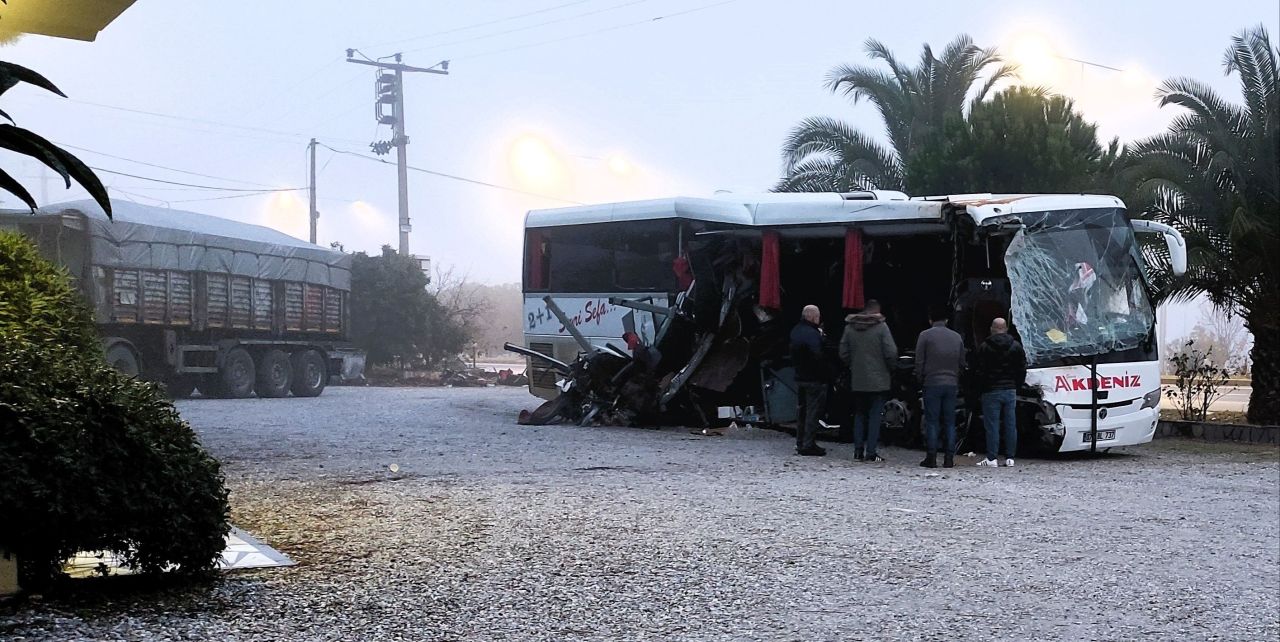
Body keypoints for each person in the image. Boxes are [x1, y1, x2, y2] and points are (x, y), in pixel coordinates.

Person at [839, 299, 897, 462]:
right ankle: (871, 451)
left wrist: (853, 365)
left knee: (859, 414)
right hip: (879, 380)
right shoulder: (882, 328)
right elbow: (891, 352)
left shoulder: (850, 328)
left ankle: (858, 450)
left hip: (858, 379)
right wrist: (890, 368)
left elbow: (843, 352)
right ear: (877, 311)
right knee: (875, 416)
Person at [914, 303, 965, 468]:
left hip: (932, 383)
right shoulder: (957, 337)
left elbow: (919, 361)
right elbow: (962, 363)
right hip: (951, 384)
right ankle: (949, 458)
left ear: (930, 319)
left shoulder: (925, 336)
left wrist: (920, 379)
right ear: (947, 319)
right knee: (950, 421)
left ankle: (931, 457)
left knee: (932, 421)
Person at [974, 317, 1027, 468]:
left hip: (991, 390)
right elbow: (1022, 368)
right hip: (1010, 389)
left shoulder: (984, 346)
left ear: (992, 328)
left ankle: (992, 457)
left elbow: (979, 370)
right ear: (1006, 328)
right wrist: (1017, 385)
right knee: (1011, 424)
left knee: (992, 425)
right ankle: (1010, 458)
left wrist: (981, 387)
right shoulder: (1016, 346)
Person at [789, 305, 829, 456]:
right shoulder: (813, 334)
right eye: (818, 317)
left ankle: (800, 442)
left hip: (800, 376)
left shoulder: (796, 331)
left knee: (802, 411)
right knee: (813, 412)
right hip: (814, 378)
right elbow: (818, 355)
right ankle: (808, 444)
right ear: (812, 317)